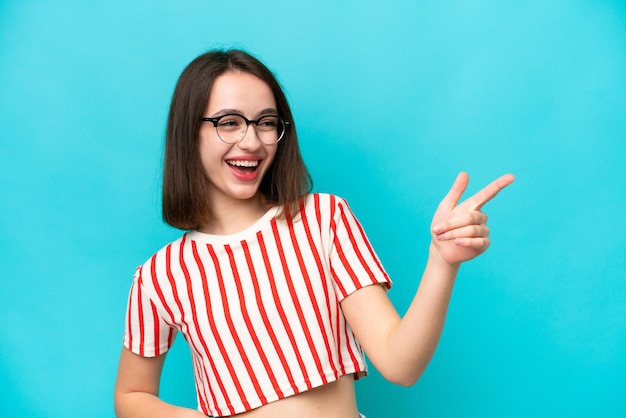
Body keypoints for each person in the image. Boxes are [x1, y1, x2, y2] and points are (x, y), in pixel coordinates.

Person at [113, 49, 514, 418]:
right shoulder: (160, 276)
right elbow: (130, 396)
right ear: (188, 132)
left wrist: (442, 262)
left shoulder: (325, 219)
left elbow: (400, 364)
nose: (251, 141)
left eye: (266, 123)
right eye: (229, 122)